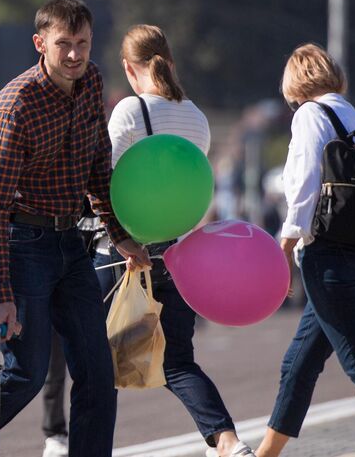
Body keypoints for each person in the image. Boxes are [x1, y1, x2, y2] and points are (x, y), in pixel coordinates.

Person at [0, 0, 150, 457]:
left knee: (98, 374)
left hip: (74, 242)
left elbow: (98, 169)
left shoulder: (92, 82)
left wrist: (120, 233)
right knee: (26, 374)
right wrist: (1, 295)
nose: (74, 55)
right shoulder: (15, 104)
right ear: (39, 43)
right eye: (63, 44)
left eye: (82, 43)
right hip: (25, 244)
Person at [93, 24, 254, 457]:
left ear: (129, 68)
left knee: (96, 362)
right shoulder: (196, 116)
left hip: (124, 251)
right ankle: (228, 441)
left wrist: (121, 236)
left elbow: (107, 182)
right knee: (179, 362)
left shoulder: (128, 111)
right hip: (177, 253)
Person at [259, 43, 355, 457]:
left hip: (327, 258)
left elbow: (306, 179)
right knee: (299, 363)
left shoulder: (309, 116)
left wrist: (287, 240)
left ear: (295, 83)